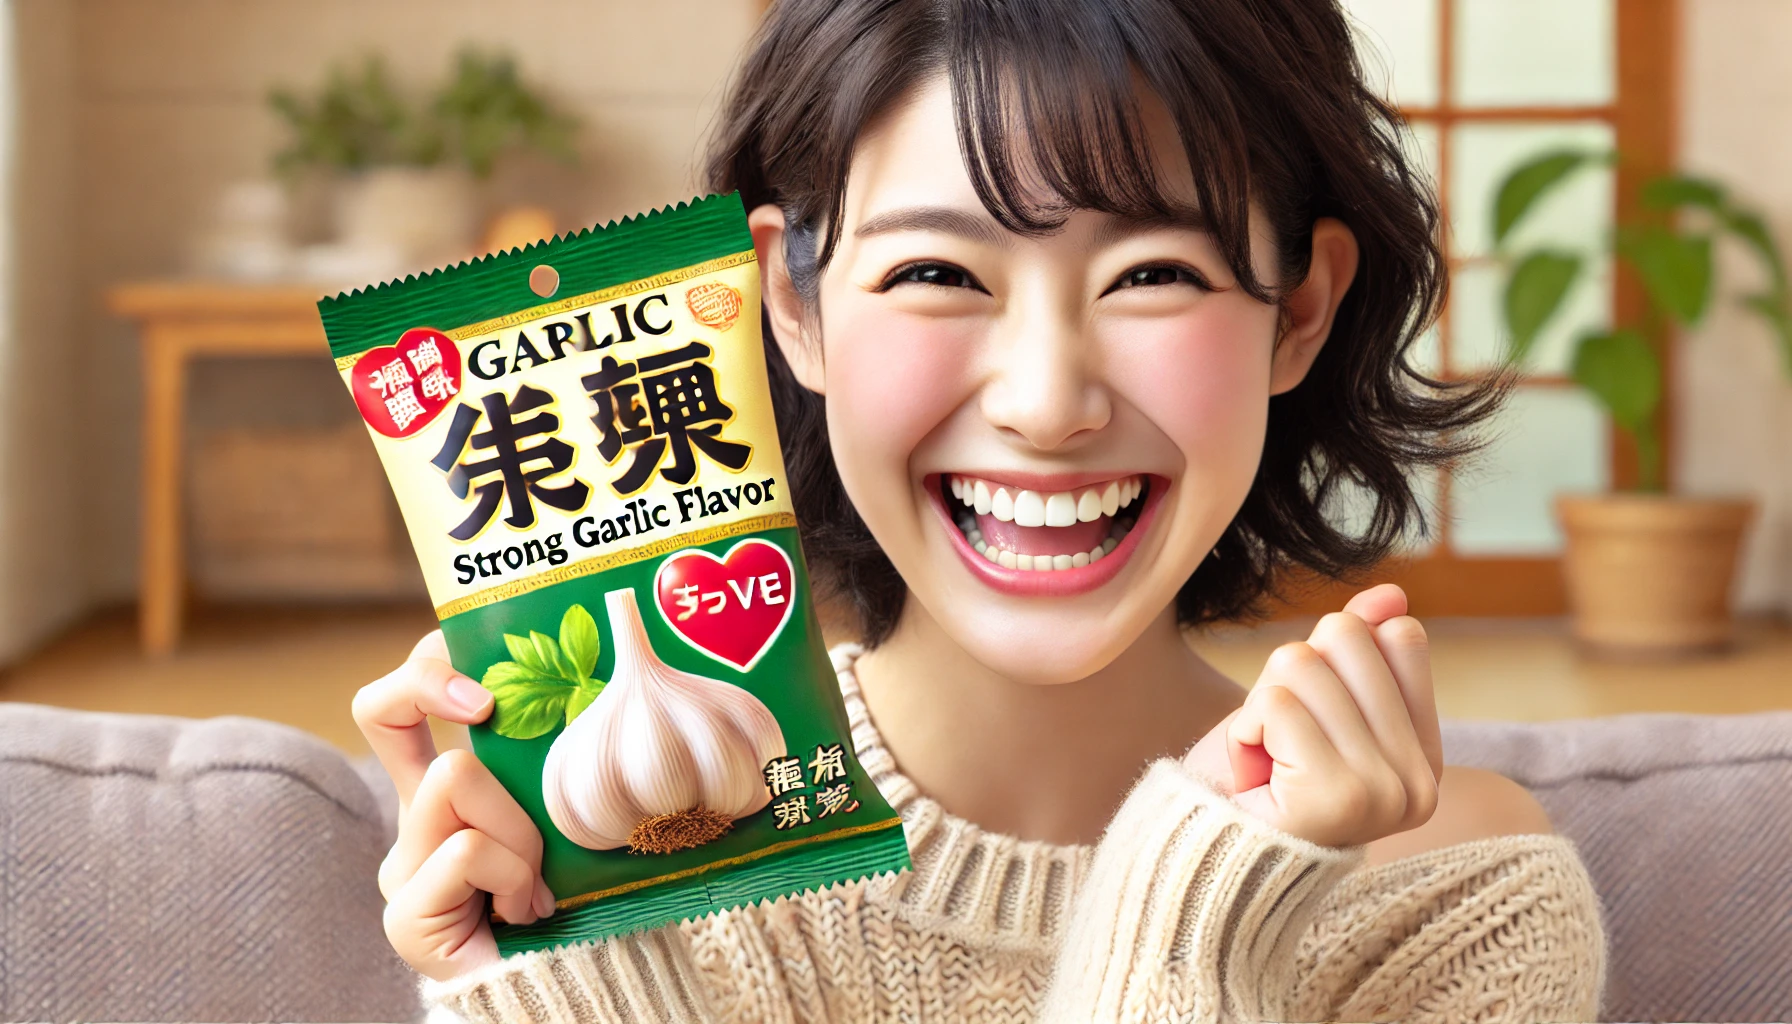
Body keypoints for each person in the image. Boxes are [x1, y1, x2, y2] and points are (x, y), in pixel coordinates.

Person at [355, 1, 1607, 1020]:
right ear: (790, 310)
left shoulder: (1452, 898)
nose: (1047, 401)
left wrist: (1199, 909)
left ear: (1298, 309)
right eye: (936, 273)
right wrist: (565, 970)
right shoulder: (632, 846)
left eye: (1152, 274)